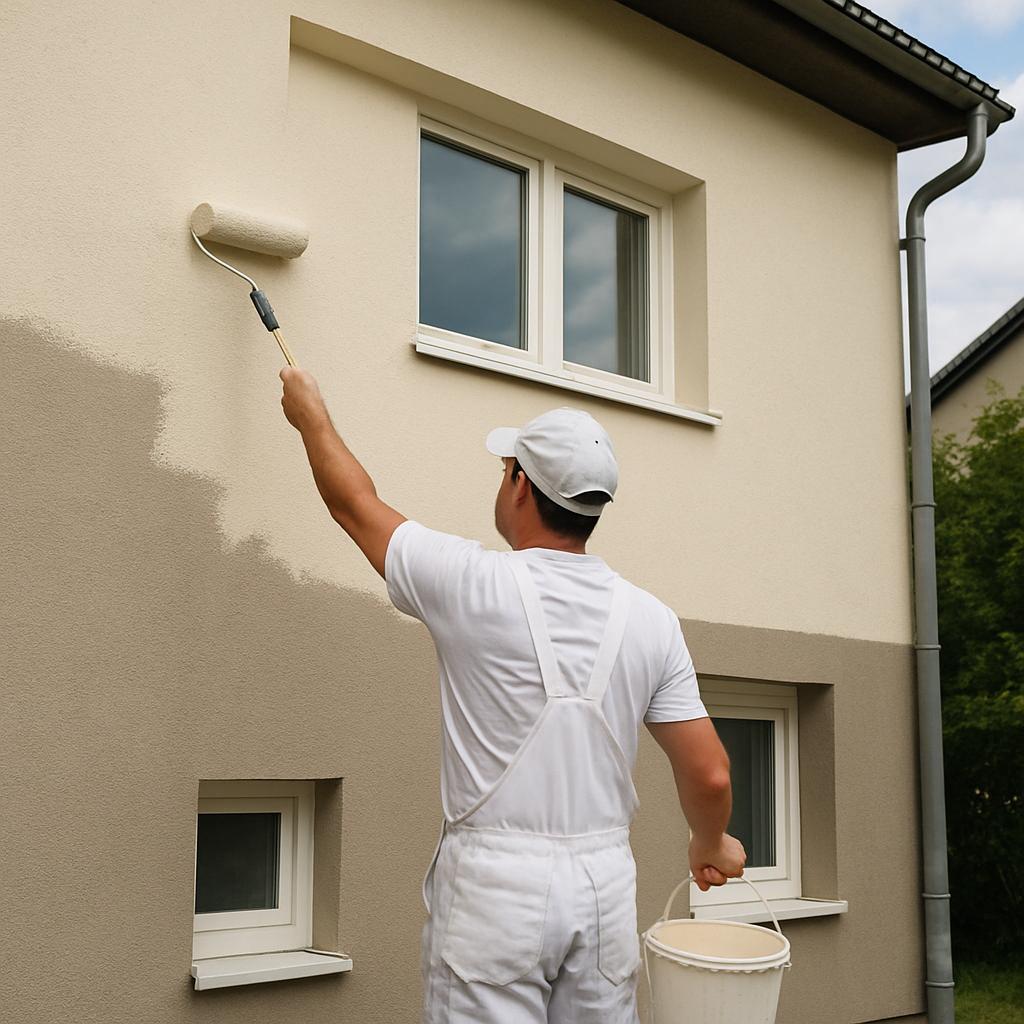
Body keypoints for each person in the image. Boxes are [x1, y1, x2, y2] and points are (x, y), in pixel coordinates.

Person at [279, 367, 747, 1024]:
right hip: (605, 888)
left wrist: (311, 416)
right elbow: (710, 772)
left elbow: (354, 505)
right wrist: (709, 841)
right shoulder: (652, 620)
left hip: (496, 891)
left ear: (521, 485)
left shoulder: (471, 584)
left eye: (505, 470)